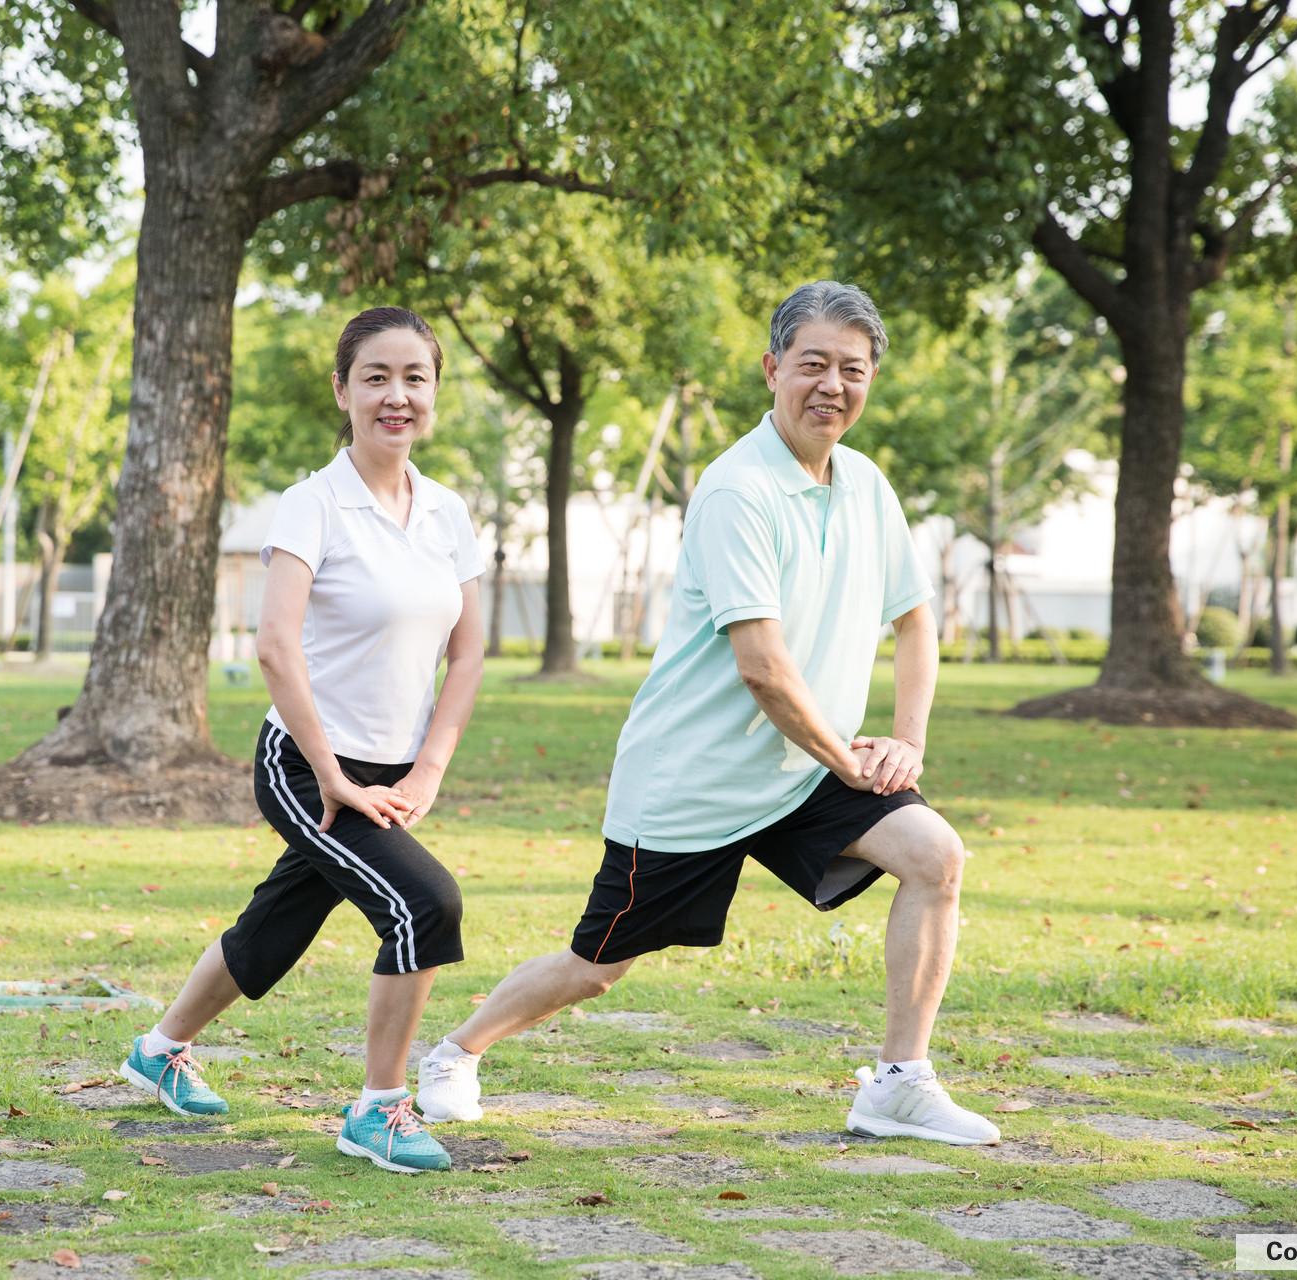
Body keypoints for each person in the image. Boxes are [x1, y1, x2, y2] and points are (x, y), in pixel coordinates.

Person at [415, 281, 1000, 1146]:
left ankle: (899, 1085)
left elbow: (917, 620)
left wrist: (904, 744)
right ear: (772, 370)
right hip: (694, 783)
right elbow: (762, 667)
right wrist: (848, 758)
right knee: (596, 967)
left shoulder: (868, 485)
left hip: (805, 768)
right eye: (813, 365)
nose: (831, 385)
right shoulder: (738, 490)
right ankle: (456, 1053)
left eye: (852, 368)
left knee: (934, 855)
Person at [119, 306, 485, 1174]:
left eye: (414, 379)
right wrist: (332, 778)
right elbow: (276, 644)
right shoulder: (313, 503)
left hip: (394, 772)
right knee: (424, 905)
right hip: (306, 765)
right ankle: (379, 1109)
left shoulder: (446, 512)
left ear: (433, 391)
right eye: (376, 378)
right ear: (343, 390)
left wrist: (430, 765)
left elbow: (468, 650)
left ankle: (159, 1049)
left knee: (280, 919)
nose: (396, 396)